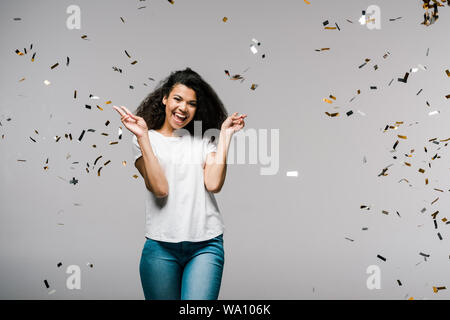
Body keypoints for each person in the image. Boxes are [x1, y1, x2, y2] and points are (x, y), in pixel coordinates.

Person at [113, 68, 247, 300]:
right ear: (165, 98)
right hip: (160, 248)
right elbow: (160, 188)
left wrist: (225, 136)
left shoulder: (204, 139)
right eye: (177, 99)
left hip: (205, 246)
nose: (183, 108)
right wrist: (143, 137)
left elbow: (214, 184)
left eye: (191, 103)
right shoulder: (144, 139)